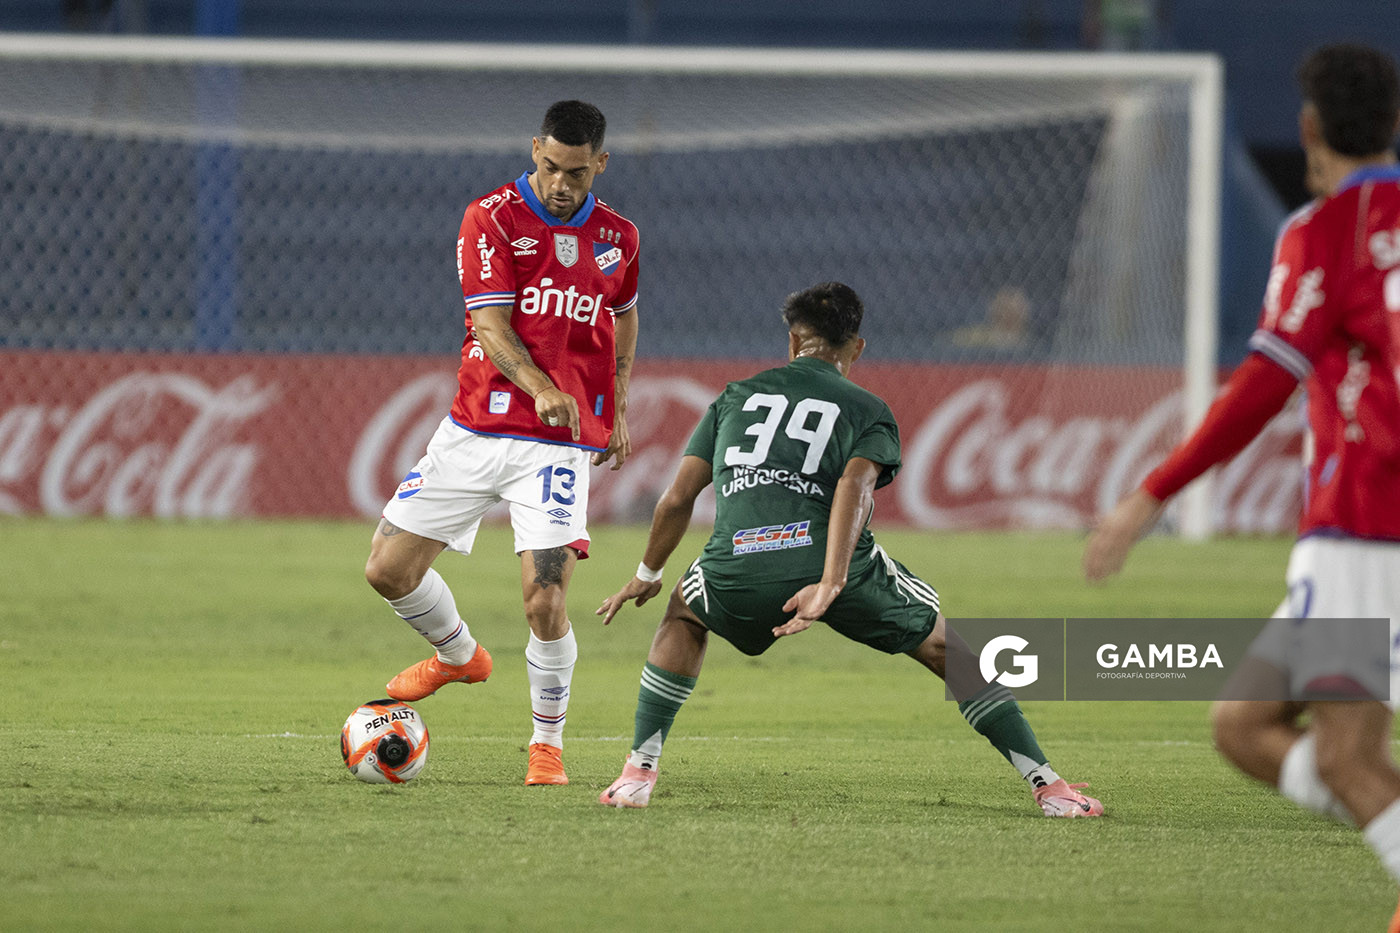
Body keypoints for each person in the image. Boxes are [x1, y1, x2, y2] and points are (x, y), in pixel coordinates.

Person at [1083, 43, 1400, 927]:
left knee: (1337, 757)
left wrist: (1154, 489)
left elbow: (1267, 378)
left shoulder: (1324, 231)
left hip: (1365, 531)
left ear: (1309, 128)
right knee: (1244, 722)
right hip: (1364, 538)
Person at [594, 281, 1103, 817]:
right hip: (836, 566)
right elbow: (854, 488)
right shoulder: (868, 409)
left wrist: (648, 572)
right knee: (946, 649)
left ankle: (636, 775)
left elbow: (676, 499)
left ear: (793, 342)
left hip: (737, 562)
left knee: (684, 615)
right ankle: (1050, 788)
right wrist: (832, 582)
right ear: (856, 347)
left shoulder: (734, 397)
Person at [364, 100, 639, 787]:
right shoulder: (490, 216)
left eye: (575, 171)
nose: (559, 183)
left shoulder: (620, 236)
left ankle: (547, 746)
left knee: (545, 599)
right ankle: (459, 655)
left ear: (599, 164)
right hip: (474, 427)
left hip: (557, 444)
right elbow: (489, 325)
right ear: (534, 150)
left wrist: (620, 405)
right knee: (387, 570)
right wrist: (539, 385)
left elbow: (624, 315)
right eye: (548, 165)